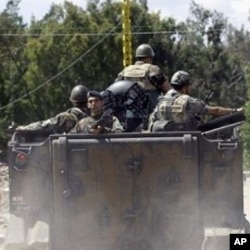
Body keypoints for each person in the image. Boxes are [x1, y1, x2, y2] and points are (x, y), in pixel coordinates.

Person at [149, 70, 243, 132]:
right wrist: (234, 111)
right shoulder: (188, 102)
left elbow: (152, 122)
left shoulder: (160, 102)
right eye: (189, 86)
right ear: (185, 87)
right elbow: (215, 111)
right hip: (191, 141)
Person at [115, 43, 170, 113]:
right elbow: (168, 90)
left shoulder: (125, 71)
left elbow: (116, 89)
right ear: (148, 58)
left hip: (130, 114)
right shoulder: (152, 69)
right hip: (151, 114)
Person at [16, 84, 90, 133]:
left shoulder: (65, 118)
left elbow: (44, 125)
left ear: (72, 101)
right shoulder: (93, 116)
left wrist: (25, 128)